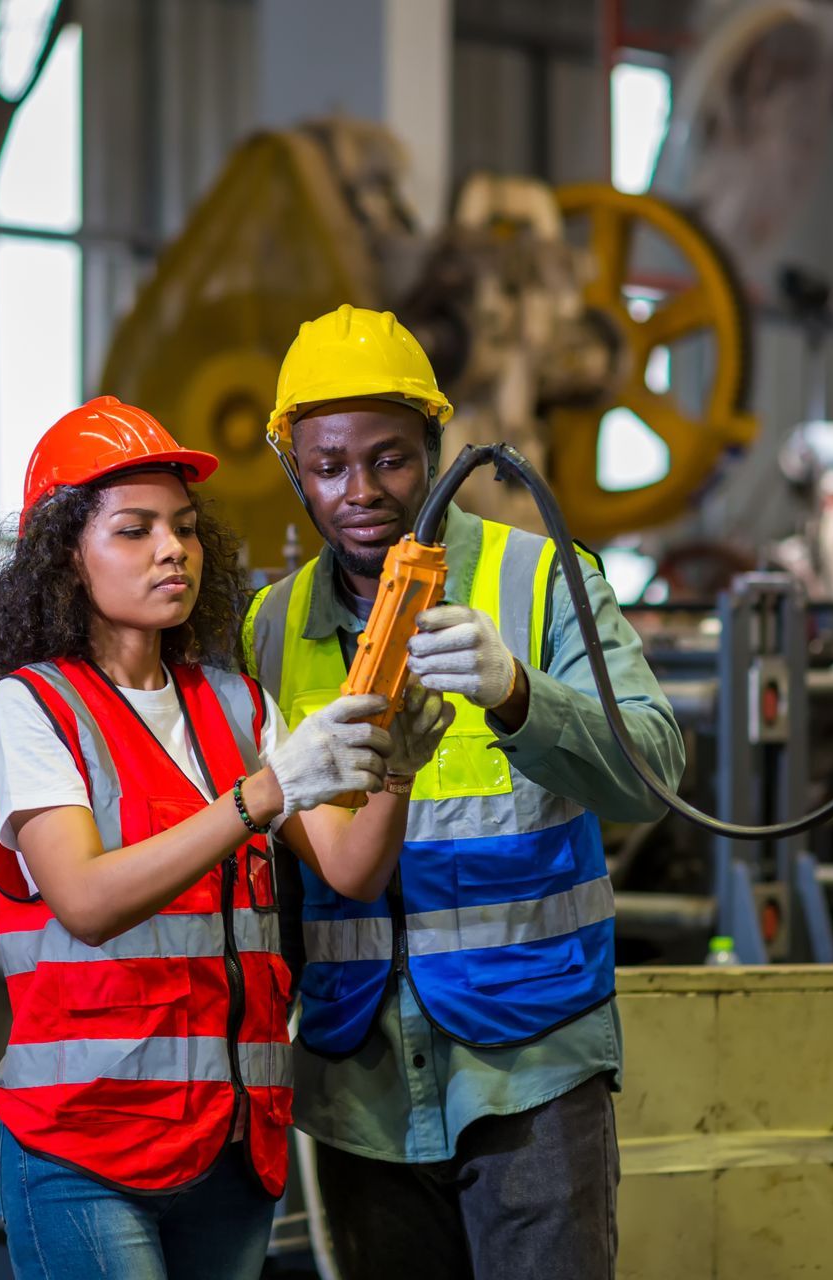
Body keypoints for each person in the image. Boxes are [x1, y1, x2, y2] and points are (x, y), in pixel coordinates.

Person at [241, 307, 686, 1280]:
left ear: (436, 447)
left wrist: (522, 691)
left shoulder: (539, 581)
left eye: (391, 458)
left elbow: (655, 768)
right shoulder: (271, 629)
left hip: (528, 1066)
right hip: (359, 1078)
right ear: (293, 468)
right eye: (327, 465)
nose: (360, 491)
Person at [0, 395, 452, 1280]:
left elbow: (348, 868)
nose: (171, 551)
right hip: (85, 1149)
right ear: (64, 559)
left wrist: (396, 773)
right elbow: (85, 900)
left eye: (184, 530)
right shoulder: (33, 709)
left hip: (231, 1146)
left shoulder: (237, 704)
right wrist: (263, 794)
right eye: (134, 530)